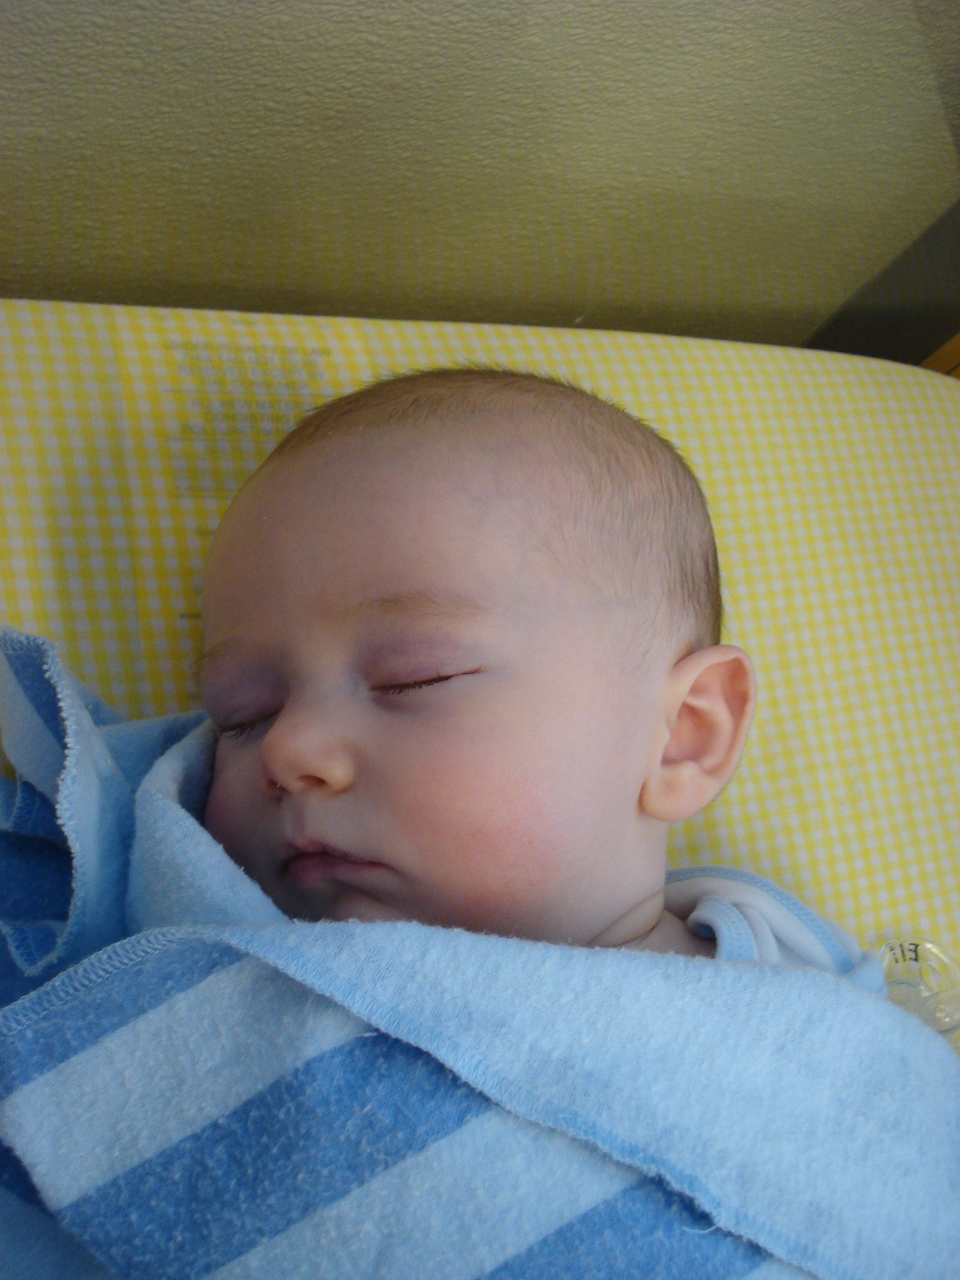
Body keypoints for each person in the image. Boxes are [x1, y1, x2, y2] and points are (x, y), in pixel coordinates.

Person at [196, 365, 763, 959]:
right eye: (241, 715)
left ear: (684, 737)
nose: (287, 749)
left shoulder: (792, 996)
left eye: (414, 678)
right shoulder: (218, 979)